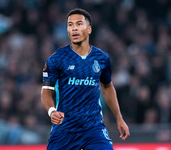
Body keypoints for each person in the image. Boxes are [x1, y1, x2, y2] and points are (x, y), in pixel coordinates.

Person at [41, 8, 130, 150]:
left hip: (93, 128)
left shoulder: (102, 58)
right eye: (70, 25)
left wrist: (119, 118)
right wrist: (52, 111)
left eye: (78, 24)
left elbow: (107, 87)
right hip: (65, 129)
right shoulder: (56, 59)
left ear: (89, 29)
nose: (74, 28)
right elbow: (46, 91)